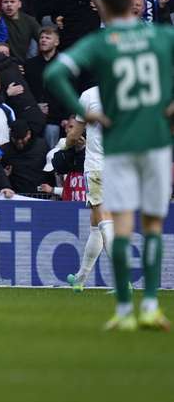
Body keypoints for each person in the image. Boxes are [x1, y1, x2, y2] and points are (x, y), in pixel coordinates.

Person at [43, 0, 173, 331]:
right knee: (150, 227)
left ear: (103, 7)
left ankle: (123, 309)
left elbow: (55, 73)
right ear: (135, 5)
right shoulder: (161, 36)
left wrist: (84, 113)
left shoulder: (102, 42)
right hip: (155, 143)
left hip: (117, 151)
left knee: (117, 225)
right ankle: (149, 304)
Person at [64, 86, 113, 293]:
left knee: (104, 219)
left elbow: (74, 135)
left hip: (97, 166)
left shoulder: (90, 95)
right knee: (95, 224)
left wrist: (64, 146)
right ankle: (80, 278)